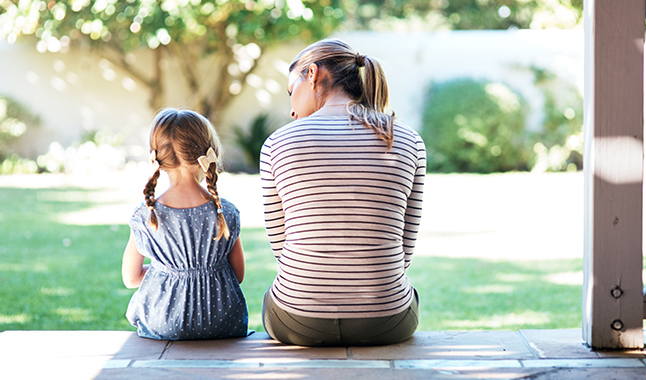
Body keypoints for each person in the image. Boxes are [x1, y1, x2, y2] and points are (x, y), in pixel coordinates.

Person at [260, 39, 426, 346]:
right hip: (386, 321)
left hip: (297, 321)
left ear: (312, 74)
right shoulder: (408, 140)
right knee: (408, 294)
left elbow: (282, 248)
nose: (291, 109)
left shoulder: (277, 143)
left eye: (291, 91)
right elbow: (404, 248)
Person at [122, 108, 248, 340]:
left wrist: (168, 271)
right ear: (208, 153)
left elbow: (131, 279)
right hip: (223, 321)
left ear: (157, 158)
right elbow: (238, 274)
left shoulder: (146, 215)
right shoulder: (226, 211)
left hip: (164, 323)